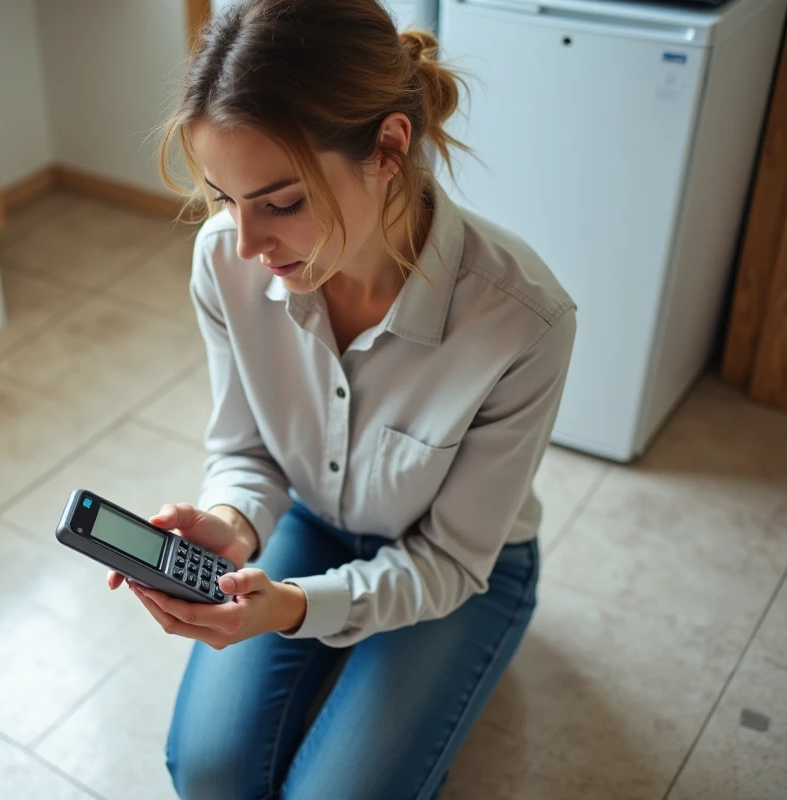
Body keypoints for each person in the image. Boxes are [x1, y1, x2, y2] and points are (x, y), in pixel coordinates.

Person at [104, 1, 577, 797]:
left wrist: (291, 608)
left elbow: (451, 560)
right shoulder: (224, 260)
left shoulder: (523, 321)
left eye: (281, 202)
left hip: (461, 565)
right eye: (224, 198)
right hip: (311, 521)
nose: (246, 243)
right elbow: (246, 449)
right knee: (208, 772)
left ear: (389, 147)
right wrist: (231, 521)